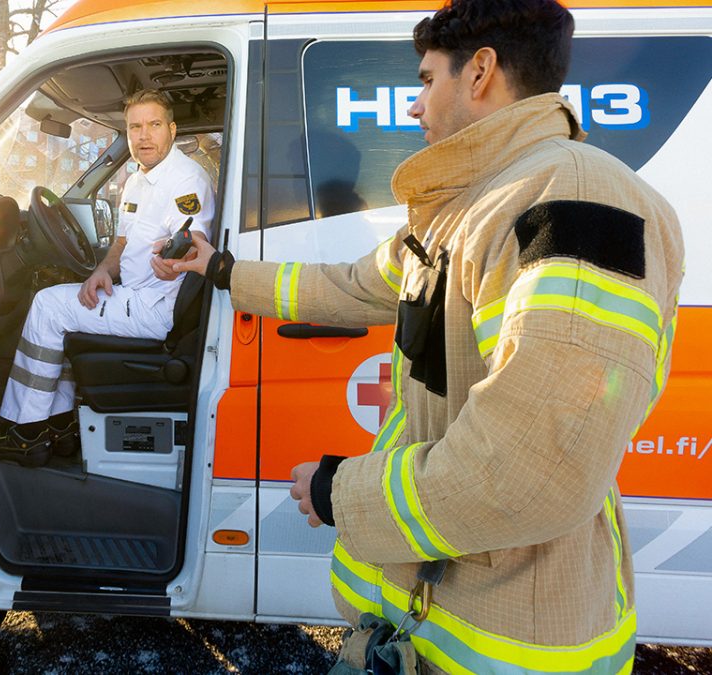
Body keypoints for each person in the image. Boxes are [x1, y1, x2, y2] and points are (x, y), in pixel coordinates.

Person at [171, 0, 683, 671]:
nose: (414, 105)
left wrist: (339, 492)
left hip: (505, 648)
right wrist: (220, 267)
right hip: (432, 625)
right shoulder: (473, 205)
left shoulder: (576, 200)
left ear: (479, 73)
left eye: (424, 79)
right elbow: (353, 283)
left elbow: (529, 470)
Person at [0, 89, 215, 467]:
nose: (144, 136)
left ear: (171, 129)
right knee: (67, 308)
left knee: (48, 304)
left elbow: (192, 243)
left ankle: (26, 431)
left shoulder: (185, 180)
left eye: (154, 125)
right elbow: (121, 241)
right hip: (133, 293)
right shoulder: (138, 179)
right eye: (135, 127)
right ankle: (60, 426)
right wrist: (103, 270)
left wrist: (174, 261)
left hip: (156, 305)